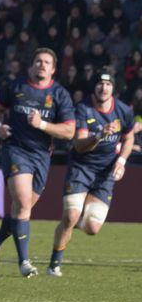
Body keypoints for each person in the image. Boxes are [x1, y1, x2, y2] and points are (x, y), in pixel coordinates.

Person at [0, 48, 74, 278]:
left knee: (21, 209)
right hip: (15, 149)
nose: (42, 65)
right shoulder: (15, 87)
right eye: (38, 61)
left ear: (53, 69)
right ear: (31, 66)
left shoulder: (59, 94)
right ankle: (24, 261)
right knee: (23, 202)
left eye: (46, 62)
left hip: (42, 156)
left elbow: (69, 131)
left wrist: (42, 125)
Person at [47, 74, 134, 276]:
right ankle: (54, 265)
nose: (103, 88)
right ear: (93, 87)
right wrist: (100, 135)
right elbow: (79, 145)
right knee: (69, 216)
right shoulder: (83, 109)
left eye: (108, 84)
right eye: (100, 84)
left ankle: (75, 220)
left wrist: (121, 161)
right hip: (81, 168)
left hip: (105, 174)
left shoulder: (123, 111)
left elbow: (129, 137)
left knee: (92, 228)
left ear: (114, 88)